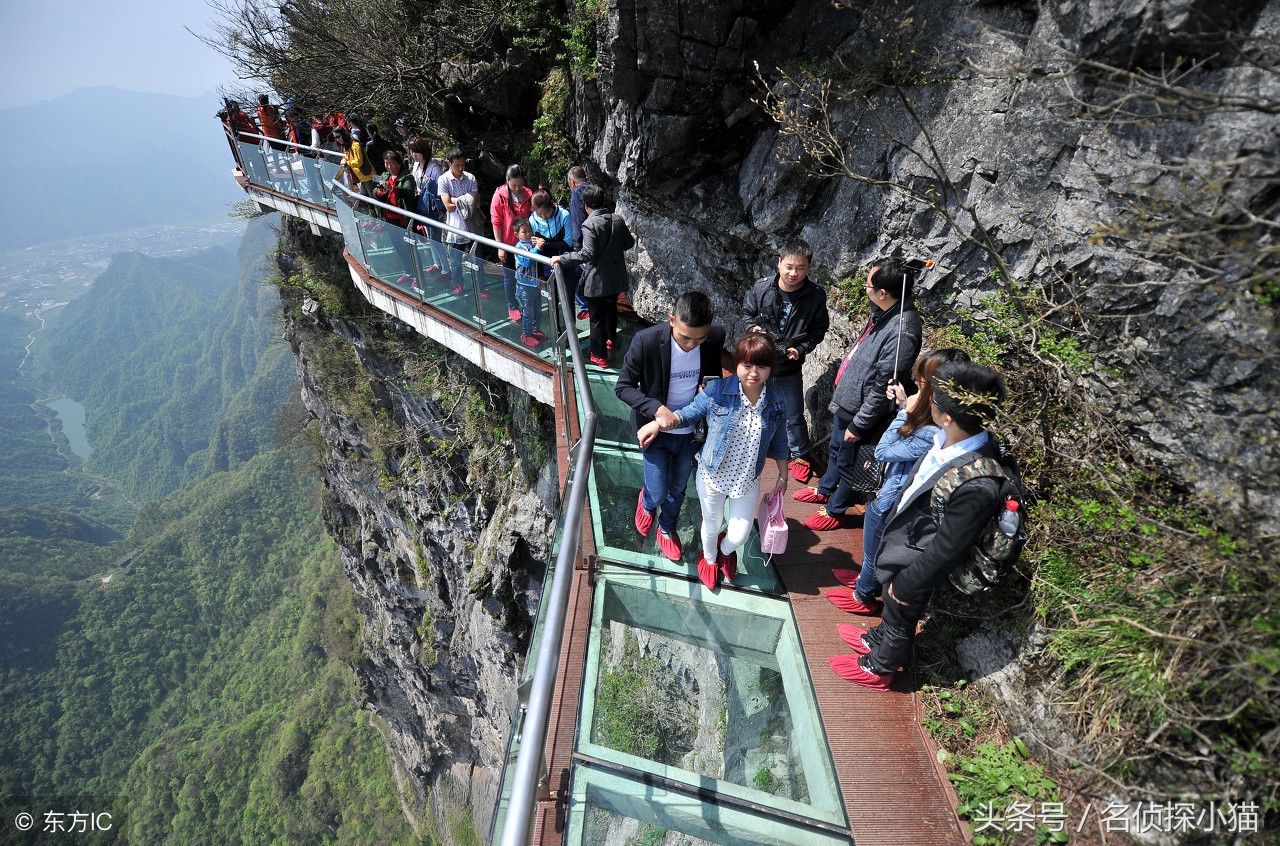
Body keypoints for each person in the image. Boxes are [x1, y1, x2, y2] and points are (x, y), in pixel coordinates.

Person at [829, 361, 1007, 691]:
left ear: (948, 416)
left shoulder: (978, 484)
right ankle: (876, 639)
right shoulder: (948, 438)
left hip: (919, 562)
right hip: (907, 541)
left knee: (901, 611)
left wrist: (908, 584)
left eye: (933, 397)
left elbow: (947, 549)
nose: (927, 400)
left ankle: (880, 667)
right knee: (890, 606)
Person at [638, 331, 789, 589]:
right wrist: (657, 423)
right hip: (712, 475)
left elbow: (779, 442)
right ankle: (708, 559)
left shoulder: (776, 400)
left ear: (770, 368)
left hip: (747, 480)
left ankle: (725, 549)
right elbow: (687, 414)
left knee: (740, 535)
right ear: (737, 363)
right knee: (712, 525)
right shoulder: (717, 391)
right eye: (747, 365)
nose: (753, 373)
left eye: (761, 367)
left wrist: (783, 476)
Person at [827, 348, 969, 615]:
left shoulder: (932, 433)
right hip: (895, 495)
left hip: (890, 500)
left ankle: (863, 595)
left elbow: (883, 451)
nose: (918, 388)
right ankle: (865, 580)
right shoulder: (944, 426)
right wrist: (906, 405)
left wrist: (905, 411)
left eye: (923, 384)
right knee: (874, 549)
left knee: (874, 551)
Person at [797, 258, 923, 531]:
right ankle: (826, 489)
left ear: (883, 293)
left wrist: (860, 423)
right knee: (837, 450)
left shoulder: (903, 331)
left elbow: (883, 385)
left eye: (868, 285)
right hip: (849, 400)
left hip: (861, 410)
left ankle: (836, 509)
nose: (864, 288)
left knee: (850, 462)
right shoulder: (885, 311)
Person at [615, 291, 726, 562]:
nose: (692, 345)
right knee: (657, 491)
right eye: (685, 337)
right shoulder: (647, 341)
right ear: (672, 320)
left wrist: (708, 389)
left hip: (690, 432)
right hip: (655, 431)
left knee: (678, 488)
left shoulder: (714, 338)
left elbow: (715, 378)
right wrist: (656, 408)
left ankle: (666, 528)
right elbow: (623, 387)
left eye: (699, 339)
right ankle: (647, 502)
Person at [740, 239, 830, 484]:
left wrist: (801, 349)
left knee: (793, 413)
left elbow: (819, 328)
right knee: (751, 406)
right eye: (789, 266)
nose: (793, 273)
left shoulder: (815, 295)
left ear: (809, 267)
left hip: (789, 365)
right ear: (779, 263)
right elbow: (747, 313)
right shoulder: (762, 288)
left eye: (800, 268)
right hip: (759, 361)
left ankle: (799, 455)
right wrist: (752, 328)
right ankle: (748, 445)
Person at [551, 184, 634, 367]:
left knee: (596, 317)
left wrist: (563, 259)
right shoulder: (617, 219)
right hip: (615, 276)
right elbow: (629, 243)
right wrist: (612, 252)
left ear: (586, 205)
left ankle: (598, 355)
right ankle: (610, 339)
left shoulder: (589, 224)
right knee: (611, 308)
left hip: (597, 279)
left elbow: (587, 253)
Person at [491, 164, 535, 323]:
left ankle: (528, 303)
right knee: (510, 278)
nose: (517, 188)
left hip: (525, 245)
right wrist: (500, 247)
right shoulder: (500, 196)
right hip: (508, 245)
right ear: (507, 181)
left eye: (520, 185)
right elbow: (496, 222)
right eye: (514, 185)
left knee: (526, 276)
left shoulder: (528, 194)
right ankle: (512, 305)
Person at [438, 148, 479, 296]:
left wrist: (455, 199)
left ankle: (479, 286)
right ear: (449, 163)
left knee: (477, 258)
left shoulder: (471, 178)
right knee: (455, 259)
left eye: (463, 164)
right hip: (455, 225)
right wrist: (465, 200)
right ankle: (457, 283)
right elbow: (448, 207)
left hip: (471, 223)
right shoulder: (443, 180)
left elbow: (476, 203)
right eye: (457, 165)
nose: (461, 168)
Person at [374, 150, 417, 285]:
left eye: (392, 163)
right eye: (386, 163)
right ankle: (408, 272)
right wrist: (380, 192)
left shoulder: (407, 177)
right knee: (398, 247)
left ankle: (418, 276)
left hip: (403, 219)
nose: (389, 166)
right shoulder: (385, 176)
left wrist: (392, 188)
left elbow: (408, 192)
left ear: (399, 163)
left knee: (410, 249)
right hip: (389, 218)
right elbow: (376, 191)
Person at [408, 139, 447, 279]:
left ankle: (446, 270)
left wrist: (430, 183)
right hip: (423, 207)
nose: (414, 154)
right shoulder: (416, 166)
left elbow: (441, 190)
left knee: (435, 239)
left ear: (424, 152)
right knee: (429, 237)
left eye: (417, 151)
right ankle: (438, 264)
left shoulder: (434, 168)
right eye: (412, 151)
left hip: (433, 209)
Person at [511, 218, 544, 347]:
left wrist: (539, 245)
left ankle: (535, 330)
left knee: (538, 310)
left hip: (535, 284)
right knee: (528, 312)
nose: (528, 234)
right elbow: (527, 261)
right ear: (517, 234)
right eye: (524, 232)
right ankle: (526, 334)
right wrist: (537, 248)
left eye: (530, 230)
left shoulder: (532, 243)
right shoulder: (519, 247)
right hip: (524, 286)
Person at [528, 190, 572, 275]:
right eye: (539, 214)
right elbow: (536, 249)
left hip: (565, 260)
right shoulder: (532, 220)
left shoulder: (564, 215)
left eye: (546, 212)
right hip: (545, 264)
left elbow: (567, 243)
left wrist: (544, 243)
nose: (544, 216)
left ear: (551, 206)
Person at [566, 166, 589, 318]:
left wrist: (576, 244)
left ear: (572, 181)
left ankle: (585, 306)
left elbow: (577, 219)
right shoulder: (593, 187)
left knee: (573, 273)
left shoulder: (577, 192)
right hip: (598, 240)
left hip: (584, 242)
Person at [335, 126, 376, 196]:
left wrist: (347, 163)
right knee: (365, 199)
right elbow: (346, 161)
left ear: (343, 134)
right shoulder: (347, 147)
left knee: (373, 199)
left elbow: (359, 162)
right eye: (335, 138)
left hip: (368, 177)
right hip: (362, 179)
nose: (337, 139)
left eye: (338, 136)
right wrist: (337, 177)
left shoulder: (355, 145)